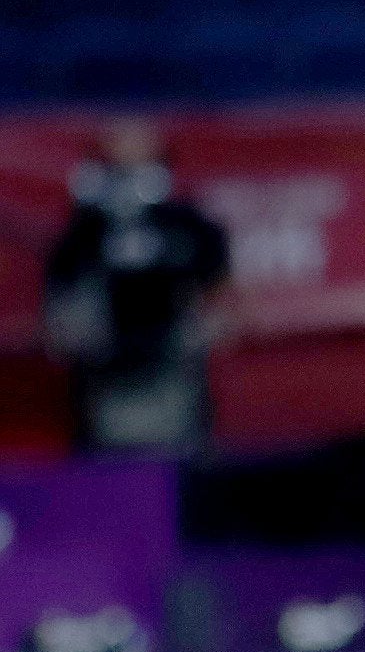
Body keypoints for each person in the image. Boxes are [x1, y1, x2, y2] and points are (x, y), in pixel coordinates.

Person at [44, 121, 229, 456]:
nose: (129, 138)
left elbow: (223, 302)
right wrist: (90, 339)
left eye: (139, 127)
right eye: (118, 128)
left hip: (174, 384)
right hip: (107, 390)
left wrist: (192, 334)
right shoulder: (83, 231)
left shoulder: (187, 224)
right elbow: (61, 317)